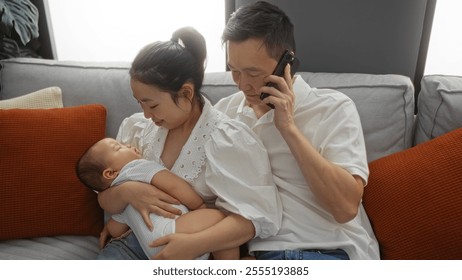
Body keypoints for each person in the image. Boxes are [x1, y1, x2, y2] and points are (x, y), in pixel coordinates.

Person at [96, 26, 282, 260]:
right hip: (130, 244)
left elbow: (254, 219)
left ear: (186, 93)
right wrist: (127, 192)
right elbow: (103, 195)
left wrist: (192, 245)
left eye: (152, 105)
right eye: (139, 103)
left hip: (193, 249)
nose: (145, 114)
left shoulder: (229, 140)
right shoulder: (137, 129)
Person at [214, 1, 380, 260]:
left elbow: (346, 208)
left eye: (253, 73)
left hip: (332, 252)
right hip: (263, 258)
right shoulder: (225, 113)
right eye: (234, 71)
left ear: (286, 62)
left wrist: (288, 128)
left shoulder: (332, 108)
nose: (242, 85)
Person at [76, 137, 239, 260]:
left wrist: (108, 228)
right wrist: (199, 205)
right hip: (170, 232)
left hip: (152, 250)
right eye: (118, 148)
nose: (127, 145)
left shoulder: (122, 204)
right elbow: (174, 185)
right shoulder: (135, 168)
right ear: (110, 173)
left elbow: (116, 230)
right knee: (220, 219)